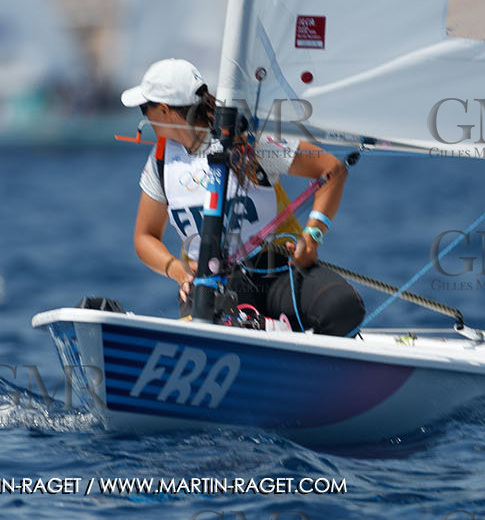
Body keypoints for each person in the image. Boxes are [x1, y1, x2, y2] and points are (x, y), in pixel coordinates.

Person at [125, 58, 365, 335]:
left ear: (165, 110)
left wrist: (312, 237)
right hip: (211, 283)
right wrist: (178, 272)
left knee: (342, 308)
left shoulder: (251, 141)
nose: (143, 116)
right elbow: (145, 237)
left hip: (277, 272)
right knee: (223, 324)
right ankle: (270, 331)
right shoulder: (159, 162)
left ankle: (281, 337)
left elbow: (332, 171)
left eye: (146, 108)